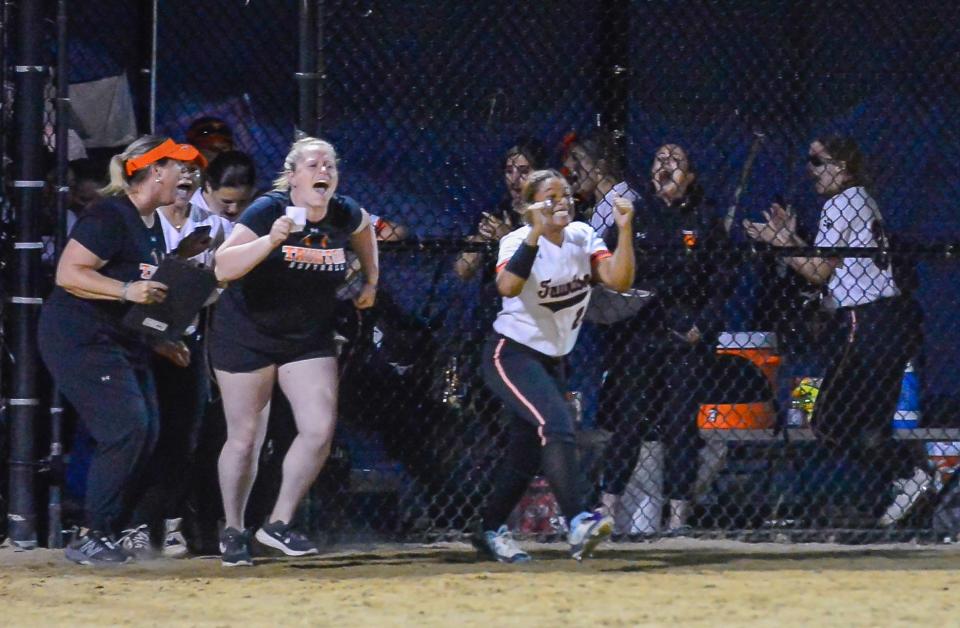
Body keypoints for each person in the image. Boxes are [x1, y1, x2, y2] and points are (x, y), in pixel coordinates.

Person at [209, 136, 378, 566]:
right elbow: (223, 267)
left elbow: (365, 231)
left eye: (330, 165)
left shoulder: (344, 211)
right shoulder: (269, 209)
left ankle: (277, 524)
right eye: (313, 165)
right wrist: (270, 240)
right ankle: (233, 529)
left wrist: (371, 281)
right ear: (293, 175)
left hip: (306, 335)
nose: (323, 171)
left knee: (319, 426)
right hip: (248, 331)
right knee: (246, 437)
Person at [743, 135, 929, 525]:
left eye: (818, 161)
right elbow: (829, 262)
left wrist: (781, 244)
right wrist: (791, 239)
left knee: (828, 419)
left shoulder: (841, 202)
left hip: (867, 322)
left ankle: (908, 474)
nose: (811, 170)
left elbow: (819, 271)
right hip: (891, 321)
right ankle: (906, 480)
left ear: (841, 166)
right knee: (869, 423)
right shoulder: (862, 198)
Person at [37, 136, 206, 564]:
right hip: (79, 336)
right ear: (153, 170)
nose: (186, 175)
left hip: (119, 339)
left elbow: (143, 298)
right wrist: (127, 288)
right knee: (127, 427)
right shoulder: (111, 214)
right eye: (177, 166)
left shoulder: (149, 225)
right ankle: (92, 534)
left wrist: (159, 341)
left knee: (146, 430)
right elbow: (68, 273)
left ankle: (106, 528)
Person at [472, 169, 635, 563]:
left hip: (552, 358)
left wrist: (625, 230)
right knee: (556, 424)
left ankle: (488, 529)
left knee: (525, 455)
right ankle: (579, 520)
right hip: (511, 353)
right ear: (530, 205)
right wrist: (534, 230)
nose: (561, 201)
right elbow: (507, 287)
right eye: (550, 196)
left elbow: (619, 279)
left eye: (565, 194)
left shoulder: (581, 236)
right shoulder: (515, 241)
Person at [594, 144, 735, 535]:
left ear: (689, 177)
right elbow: (607, 265)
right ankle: (606, 510)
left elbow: (721, 281)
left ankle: (677, 518)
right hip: (638, 332)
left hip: (683, 335)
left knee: (679, 426)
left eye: (676, 161)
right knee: (630, 422)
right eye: (659, 160)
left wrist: (701, 326)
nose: (666, 166)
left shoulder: (704, 220)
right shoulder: (634, 215)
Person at [120, 161, 233, 558]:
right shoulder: (141, 221)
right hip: (140, 338)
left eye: (193, 171)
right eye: (178, 170)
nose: (186, 178)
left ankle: (170, 524)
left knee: (184, 439)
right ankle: (130, 524)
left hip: (186, 337)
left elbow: (222, 280)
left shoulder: (212, 224)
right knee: (143, 434)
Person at [561, 130, 640, 234]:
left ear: (600, 167)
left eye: (575, 157)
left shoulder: (620, 202)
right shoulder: (604, 203)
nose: (567, 164)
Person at [189, 150, 257, 224]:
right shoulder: (187, 218)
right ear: (208, 186)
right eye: (227, 202)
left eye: (242, 202)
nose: (234, 210)